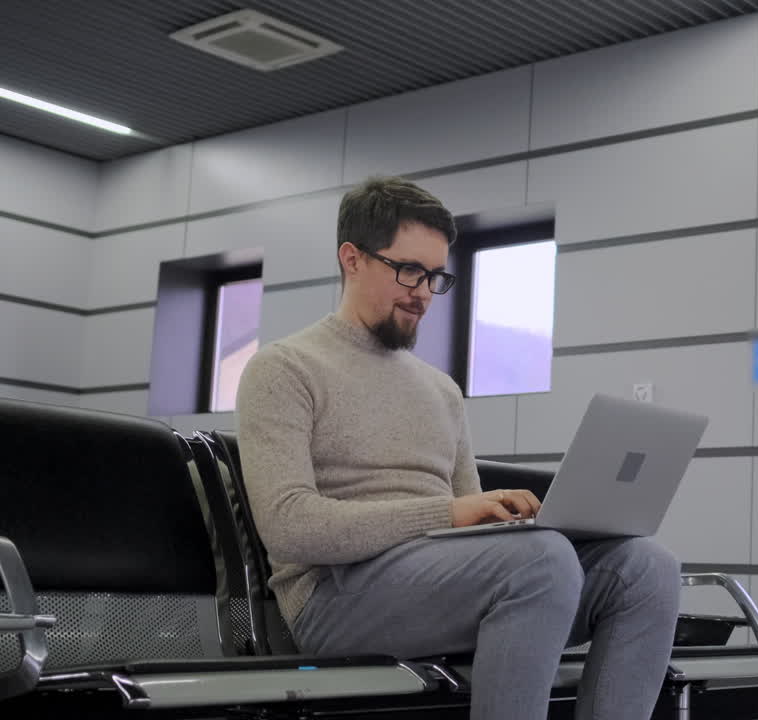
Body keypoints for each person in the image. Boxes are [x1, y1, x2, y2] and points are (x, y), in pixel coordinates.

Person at [236, 176, 682, 720]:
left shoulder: (441, 390)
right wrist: (449, 513)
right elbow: (289, 525)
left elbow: (479, 535)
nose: (423, 291)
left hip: (438, 583)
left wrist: (522, 522)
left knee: (645, 568)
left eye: (435, 276)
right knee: (539, 565)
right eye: (408, 271)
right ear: (351, 259)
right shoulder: (283, 369)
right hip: (335, 597)